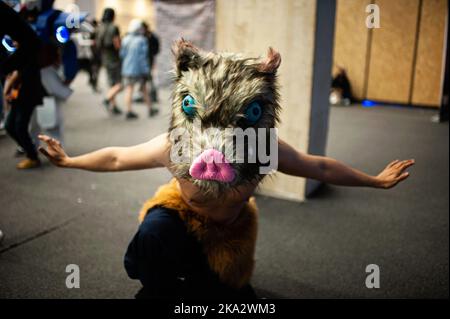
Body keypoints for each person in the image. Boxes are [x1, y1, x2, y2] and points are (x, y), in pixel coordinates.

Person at [38, 40, 415, 298]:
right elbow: (118, 157)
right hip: (181, 213)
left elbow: (318, 166)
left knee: (228, 295)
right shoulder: (179, 146)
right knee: (152, 240)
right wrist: (70, 160)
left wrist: (374, 181)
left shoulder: (263, 148)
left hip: (231, 228)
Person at [1, 1, 45, 169]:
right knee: (12, 125)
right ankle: (30, 151)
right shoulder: (25, 51)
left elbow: (18, 73)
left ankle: (32, 155)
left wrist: (6, 85)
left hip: (27, 93)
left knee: (18, 126)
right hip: (22, 94)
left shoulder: (28, 55)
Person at [120, 19, 157, 120]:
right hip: (139, 70)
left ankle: (128, 111)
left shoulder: (125, 39)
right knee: (144, 89)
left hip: (127, 68)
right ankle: (150, 109)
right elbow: (142, 57)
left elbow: (122, 54)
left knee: (129, 89)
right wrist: (146, 70)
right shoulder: (142, 40)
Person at [96, 8, 122, 115]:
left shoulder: (99, 27)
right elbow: (117, 45)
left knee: (111, 83)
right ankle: (107, 99)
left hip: (104, 58)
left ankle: (114, 106)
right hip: (114, 58)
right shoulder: (114, 27)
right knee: (120, 84)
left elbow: (96, 43)